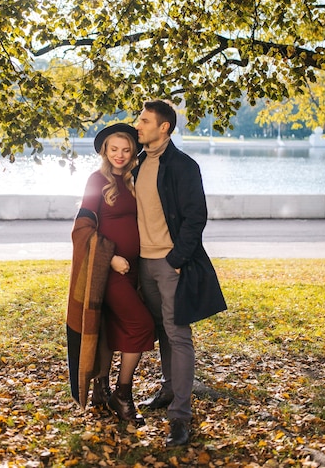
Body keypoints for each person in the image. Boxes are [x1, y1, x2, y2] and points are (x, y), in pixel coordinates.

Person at [134, 100, 227, 447]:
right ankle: (169, 391)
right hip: (142, 263)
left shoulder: (184, 166)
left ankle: (180, 417)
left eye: (144, 120)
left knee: (178, 334)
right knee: (162, 330)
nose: (137, 125)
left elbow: (195, 217)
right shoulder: (138, 163)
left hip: (169, 264)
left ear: (164, 128)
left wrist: (175, 259)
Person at [67, 123, 155, 425]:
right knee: (142, 325)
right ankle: (123, 392)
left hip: (134, 272)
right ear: (105, 151)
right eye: (114, 149)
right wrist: (112, 258)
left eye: (126, 149)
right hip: (109, 270)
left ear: (132, 152)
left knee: (110, 328)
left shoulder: (133, 179)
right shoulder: (96, 180)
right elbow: (81, 229)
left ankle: (102, 390)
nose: (120, 154)